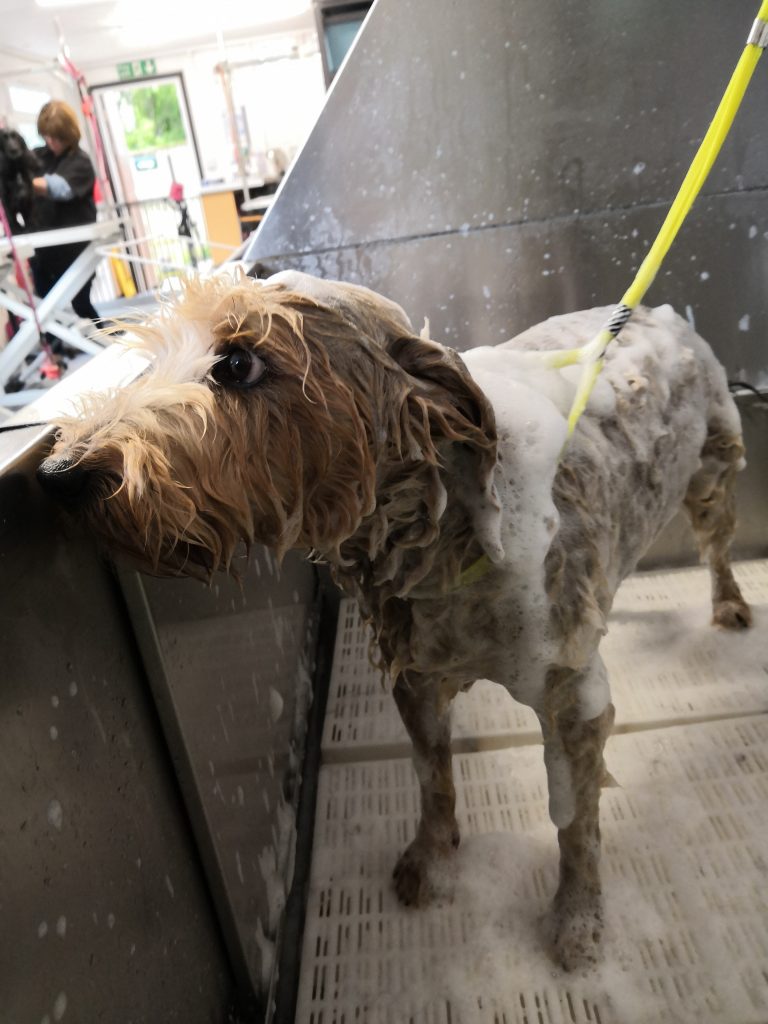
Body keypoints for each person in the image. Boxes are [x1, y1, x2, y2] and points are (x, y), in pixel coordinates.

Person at [29, 99, 100, 324]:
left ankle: (107, 341)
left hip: (76, 252)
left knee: (81, 305)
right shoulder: (37, 156)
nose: (50, 142)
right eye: (46, 136)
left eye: (55, 137)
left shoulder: (81, 162)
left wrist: (22, 182)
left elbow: (60, 189)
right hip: (44, 252)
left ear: (68, 133)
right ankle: (55, 354)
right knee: (46, 312)